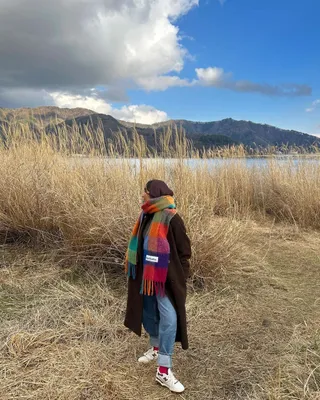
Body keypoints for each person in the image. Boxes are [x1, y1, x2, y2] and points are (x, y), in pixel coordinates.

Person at [124, 180, 191, 393]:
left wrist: (179, 278)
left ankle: (163, 370)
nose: (142, 194)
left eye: (145, 191)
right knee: (148, 314)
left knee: (169, 318)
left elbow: (184, 252)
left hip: (165, 281)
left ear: (154, 193)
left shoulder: (173, 219)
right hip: (145, 277)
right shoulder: (145, 215)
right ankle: (154, 347)